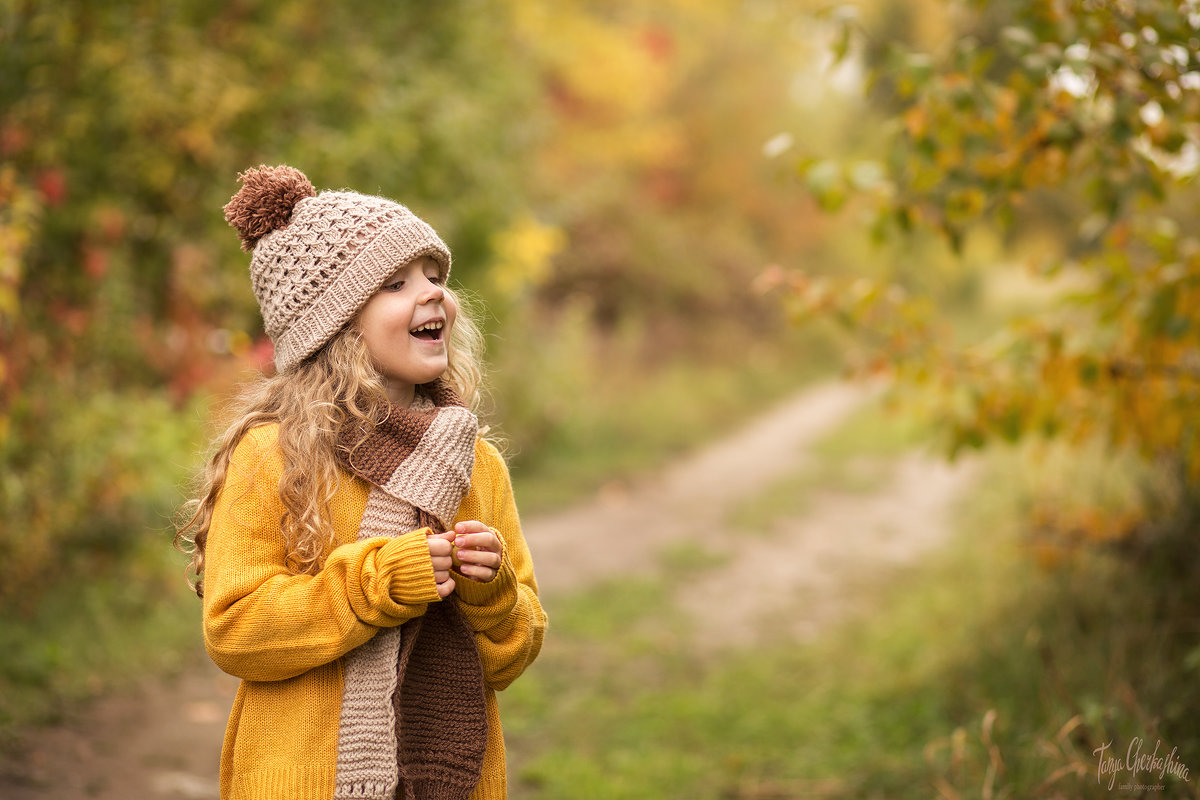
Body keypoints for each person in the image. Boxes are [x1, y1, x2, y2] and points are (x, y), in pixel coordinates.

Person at [176, 165, 547, 800]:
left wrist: (493, 596)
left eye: (434, 275)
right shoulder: (275, 454)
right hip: (301, 781)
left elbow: (511, 654)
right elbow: (235, 630)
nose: (430, 293)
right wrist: (376, 583)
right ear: (336, 325)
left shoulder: (473, 461)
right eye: (396, 283)